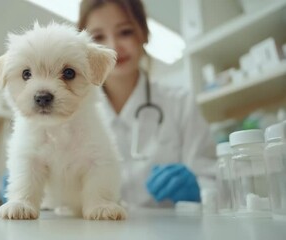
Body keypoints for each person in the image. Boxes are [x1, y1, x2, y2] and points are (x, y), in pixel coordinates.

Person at [77, 0, 216, 207]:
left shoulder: (180, 104)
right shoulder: (75, 112)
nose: (113, 47)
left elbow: (213, 182)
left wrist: (198, 190)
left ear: (144, 34)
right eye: (98, 37)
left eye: (125, 32)